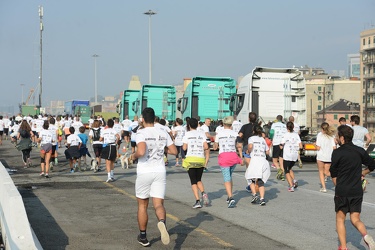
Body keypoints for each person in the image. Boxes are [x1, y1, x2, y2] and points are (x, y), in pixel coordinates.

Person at [130, 107, 177, 247]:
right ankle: (162, 222)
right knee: (158, 204)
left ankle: (143, 236)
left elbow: (142, 150)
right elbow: (174, 151)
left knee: (143, 205)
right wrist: (162, 148)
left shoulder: (141, 132)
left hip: (145, 171)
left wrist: (133, 156)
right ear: (155, 118)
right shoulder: (162, 132)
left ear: (143, 119)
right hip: (159, 171)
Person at [330, 125, 375, 250]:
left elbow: (333, 173)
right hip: (356, 190)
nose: (336, 138)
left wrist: (337, 186)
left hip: (342, 190)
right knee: (355, 219)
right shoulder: (359, 150)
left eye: (337, 136)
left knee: (340, 219)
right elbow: (372, 165)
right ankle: (365, 236)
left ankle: (343, 247)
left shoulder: (337, 153)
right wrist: (363, 173)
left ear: (342, 138)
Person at [213, 116, 242, 208]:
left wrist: (216, 143)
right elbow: (239, 145)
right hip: (233, 156)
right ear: (231, 124)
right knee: (229, 176)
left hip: (224, 156)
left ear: (223, 124)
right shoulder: (235, 133)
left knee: (226, 178)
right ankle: (229, 195)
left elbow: (215, 147)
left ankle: (230, 197)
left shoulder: (219, 134)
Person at [182, 118, 210, 208]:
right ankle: (203, 193)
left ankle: (198, 201)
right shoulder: (201, 134)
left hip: (191, 159)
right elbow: (206, 147)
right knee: (199, 179)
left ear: (189, 125)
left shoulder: (187, 134)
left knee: (193, 181)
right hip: (200, 159)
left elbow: (184, 148)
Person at [245, 125, 270, 206]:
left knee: (250, 178)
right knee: (260, 181)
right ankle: (262, 199)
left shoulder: (251, 138)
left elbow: (250, 146)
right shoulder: (263, 139)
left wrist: (248, 151)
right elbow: (267, 151)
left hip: (255, 161)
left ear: (253, 131)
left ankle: (255, 194)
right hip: (263, 161)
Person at [280, 122, 302, 192]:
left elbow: (281, 145)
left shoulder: (285, 135)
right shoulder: (296, 135)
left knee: (286, 171)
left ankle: (291, 186)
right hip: (294, 155)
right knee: (289, 168)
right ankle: (294, 180)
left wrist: (281, 146)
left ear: (287, 127)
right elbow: (300, 145)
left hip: (287, 155)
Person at [315, 122, 336, 193]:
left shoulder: (320, 135)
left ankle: (324, 187)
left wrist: (314, 145)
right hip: (329, 157)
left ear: (322, 128)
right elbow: (334, 147)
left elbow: (318, 147)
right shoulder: (331, 136)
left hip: (321, 156)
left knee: (321, 172)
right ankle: (338, 181)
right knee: (327, 172)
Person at [270, 115, 287, 181]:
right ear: (282, 119)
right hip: (283, 144)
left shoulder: (274, 124)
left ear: (276, 119)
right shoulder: (284, 125)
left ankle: (278, 169)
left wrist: (271, 138)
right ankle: (282, 176)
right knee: (281, 161)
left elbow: (271, 132)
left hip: (276, 143)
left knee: (274, 160)